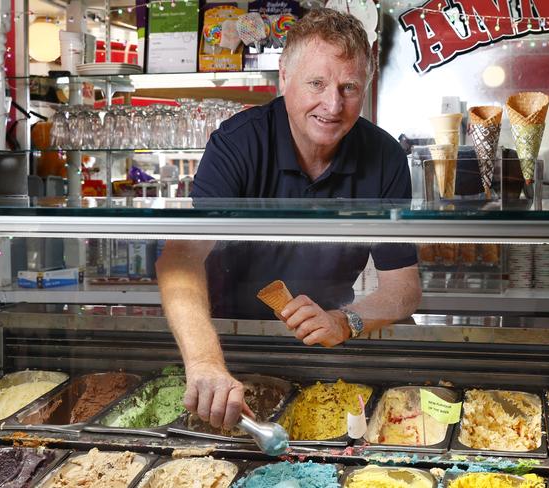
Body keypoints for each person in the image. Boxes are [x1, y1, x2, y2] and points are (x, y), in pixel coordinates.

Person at [156, 8, 421, 431]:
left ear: (365, 86)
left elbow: (403, 289)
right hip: (225, 340)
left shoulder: (384, 156)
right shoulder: (236, 144)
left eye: (348, 87)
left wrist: (346, 320)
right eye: (316, 83)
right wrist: (204, 361)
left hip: (327, 344)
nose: (332, 105)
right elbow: (180, 258)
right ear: (285, 77)